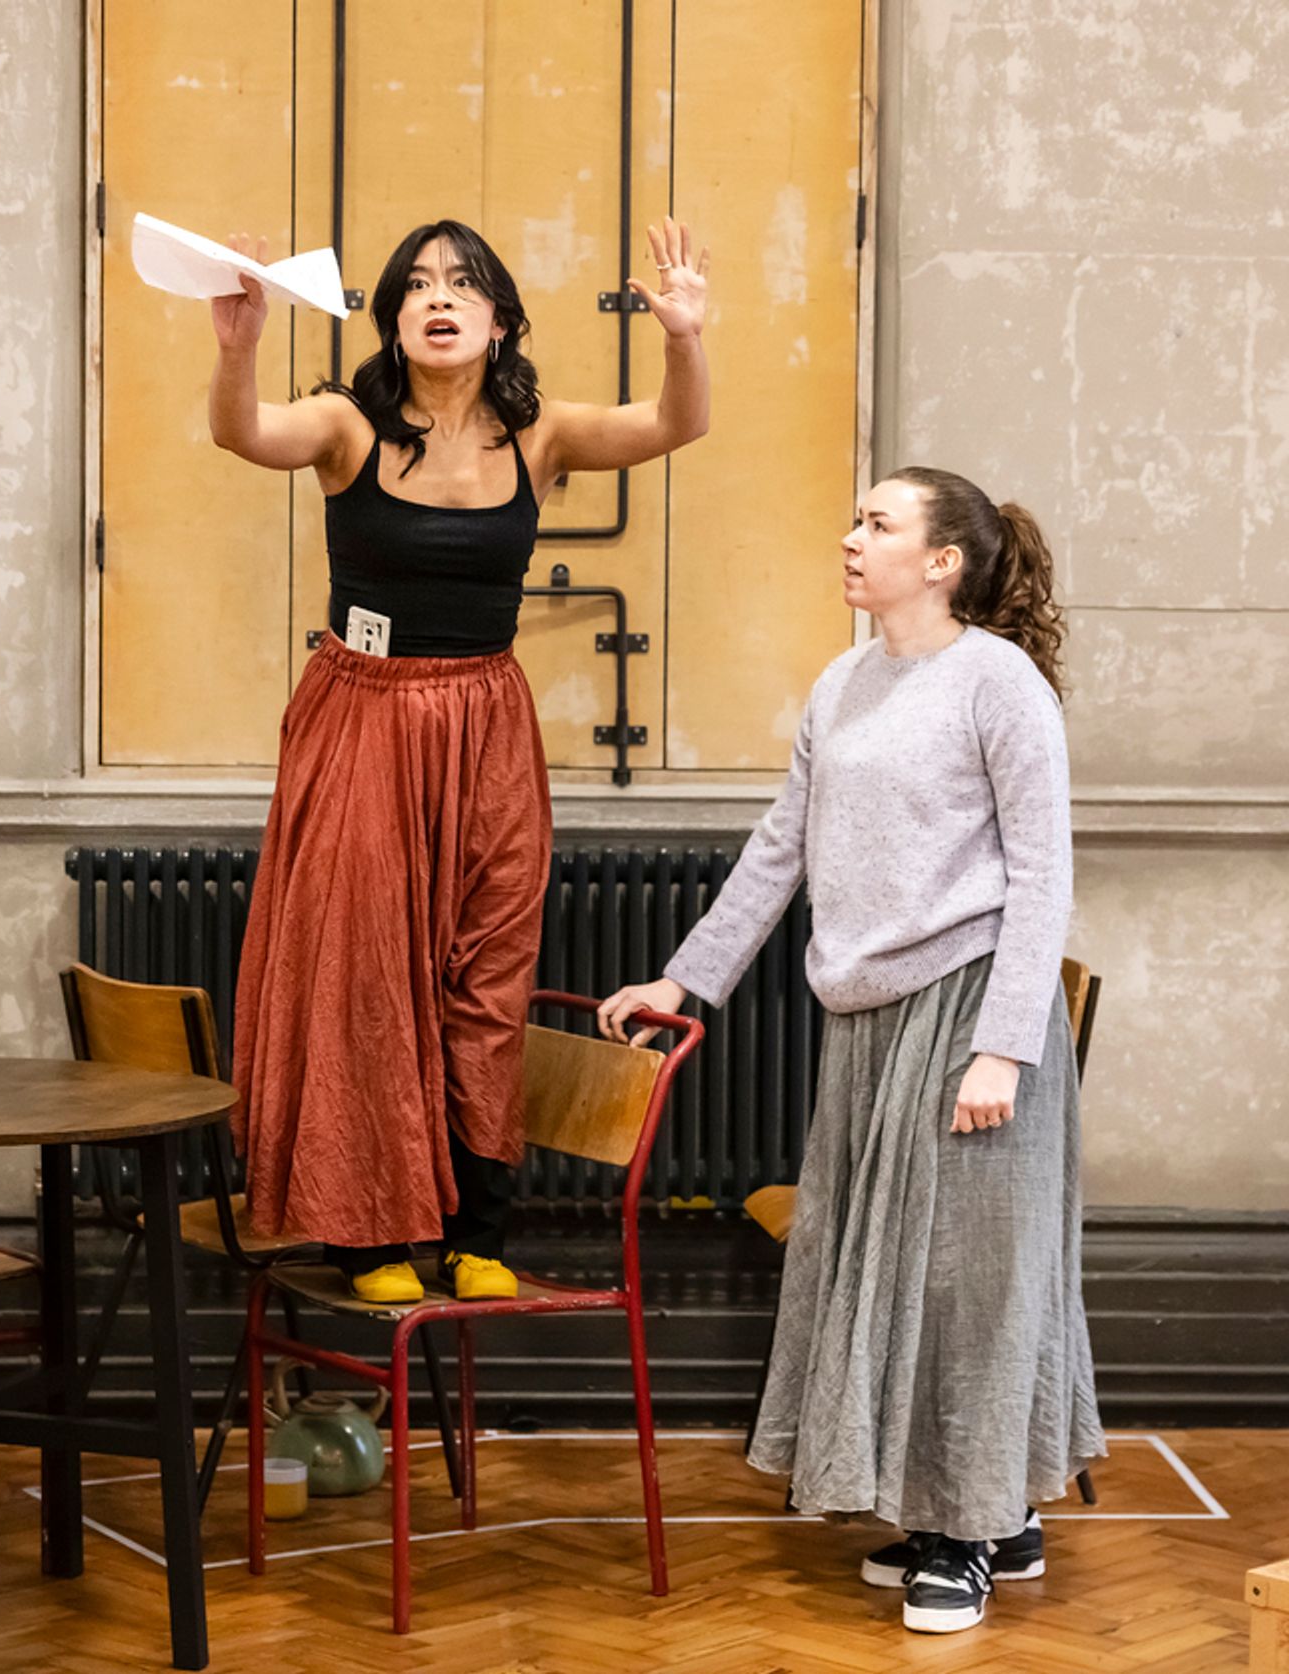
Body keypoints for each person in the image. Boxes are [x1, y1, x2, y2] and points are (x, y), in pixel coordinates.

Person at [597, 467, 1105, 1634]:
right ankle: (974, 1516)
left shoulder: (999, 682)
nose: (849, 537)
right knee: (881, 1271)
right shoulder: (841, 682)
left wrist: (1001, 1052)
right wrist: (685, 976)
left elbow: (1040, 879)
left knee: (967, 1285)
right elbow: (779, 851)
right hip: (868, 1023)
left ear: (940, 562)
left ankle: (969, 1534)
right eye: (855, 519)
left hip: (972, 1012)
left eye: (876, 524)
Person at [211, 216, 709, 1305]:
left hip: (486, 720)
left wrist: (682, 334)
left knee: (486, 978)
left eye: (464, 284)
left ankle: (476, 1230)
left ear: (498, 320)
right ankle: (368, 1233)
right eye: (418, 285)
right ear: (391, 319)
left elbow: (678, 422)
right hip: (363, 717)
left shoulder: (538, 437)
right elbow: (244, 434)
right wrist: (238, 340)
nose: (440, 298)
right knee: (365, 976)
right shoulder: (348, 425)